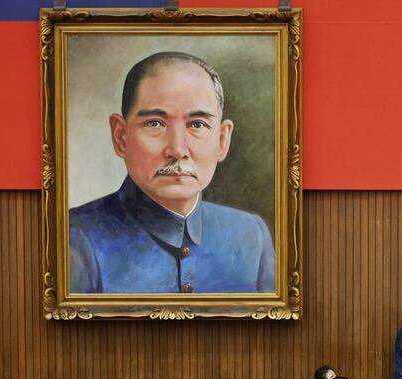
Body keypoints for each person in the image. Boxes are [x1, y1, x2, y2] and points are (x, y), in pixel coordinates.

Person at [69, 51, 275, 294]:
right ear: (121, 137)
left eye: (197, 125)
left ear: (222, 140)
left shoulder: (250, 234)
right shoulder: (75, 238)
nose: (177, 150)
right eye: (155, 123)